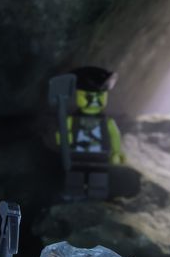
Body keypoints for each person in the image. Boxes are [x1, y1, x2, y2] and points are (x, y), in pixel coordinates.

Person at [51, 65, 125, 200]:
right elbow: (61, 134)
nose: (95, 101)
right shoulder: (72, 119)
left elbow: (115, 135)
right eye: (89, 96)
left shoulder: (107, 121)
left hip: (100, 158)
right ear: (79, 94)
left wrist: (116, 152)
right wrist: (63, 139)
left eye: (99, 96)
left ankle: (96, 196)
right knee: (75, 180)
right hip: (77, 157)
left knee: (98, 181)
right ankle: (73, 194)